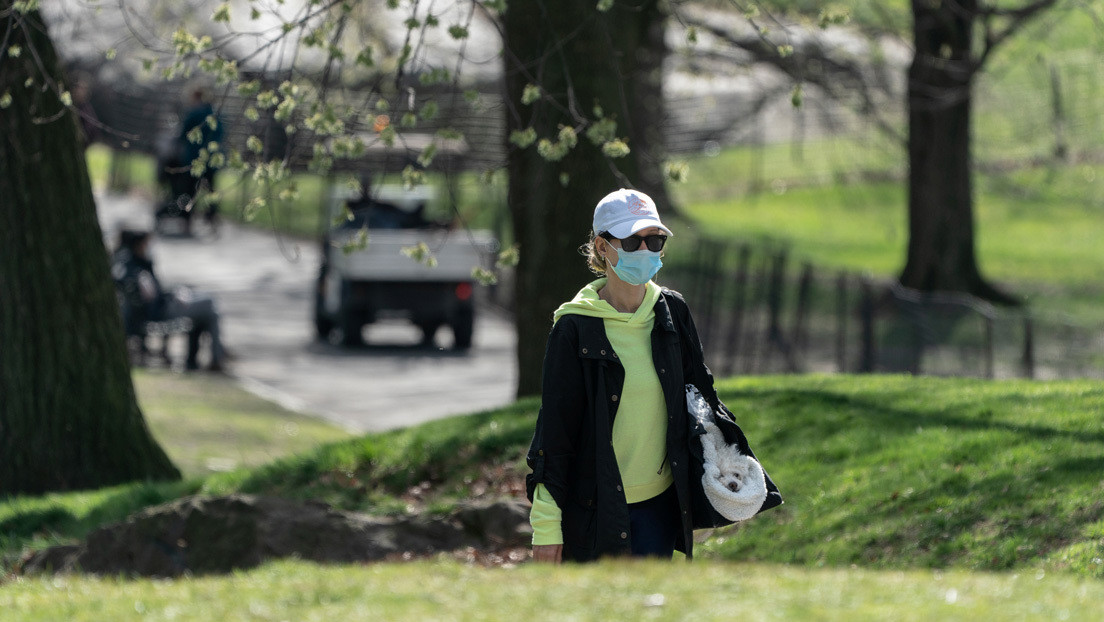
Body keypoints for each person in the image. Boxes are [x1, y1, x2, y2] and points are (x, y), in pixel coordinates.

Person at [525, 188, 728, 563]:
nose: (647, 251)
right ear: (603, 247)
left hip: (661, 510)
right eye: (633, 241)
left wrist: (728, 467)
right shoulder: (573, 328)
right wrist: (547, 527)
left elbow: (701, 400)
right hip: (592, 514)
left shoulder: (673, 311)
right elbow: (555, 437)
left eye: (655, 240)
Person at [112, 230, 228, 372]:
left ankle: (211, 357)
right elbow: (152, 297)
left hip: (164, 305)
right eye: (147, 243)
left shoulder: (133, 265)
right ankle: (216, 356)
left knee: (210, 313)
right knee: (210, 306)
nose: (149, 247)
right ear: (138, 245)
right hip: (162, 311)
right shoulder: (137, 269)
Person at [178, 86, 224, 230]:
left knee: (190, 189)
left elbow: (183, 134)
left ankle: (187, 220)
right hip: (211, 159)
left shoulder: (194, 114)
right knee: (210, 188)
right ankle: (212, 218)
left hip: (194, 159)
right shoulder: (215, 115)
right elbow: (221, 134)